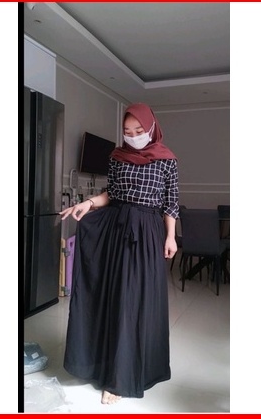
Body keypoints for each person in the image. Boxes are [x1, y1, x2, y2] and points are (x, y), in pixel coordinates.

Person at [59, 102, 179, 405]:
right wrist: (88, 203)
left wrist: (170, 237)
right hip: (116, 229)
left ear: (151, 128)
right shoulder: (116, 156)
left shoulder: (167, 160)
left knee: (135, 301)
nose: (133, 136)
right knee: (114, 298)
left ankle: (124, 376)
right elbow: (111, 193)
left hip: (147, 232)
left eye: (139, 130)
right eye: (128, 131)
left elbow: (170, 203)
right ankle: (108, 368)